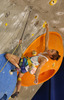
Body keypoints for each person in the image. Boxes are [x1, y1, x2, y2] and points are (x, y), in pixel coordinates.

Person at [5, 24, 61, 98]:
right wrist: (47, 29)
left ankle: (17, 66)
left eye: (52, 51)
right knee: (19, 77)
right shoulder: (45, 52)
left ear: (50, 56)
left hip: (25, 63)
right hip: (27, 68)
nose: (50, 49)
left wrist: (36, 77)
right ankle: (17, 91)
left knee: (7, 56)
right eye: (52, 49)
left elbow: (39, 69)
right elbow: (47, 40)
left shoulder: (44, 60)